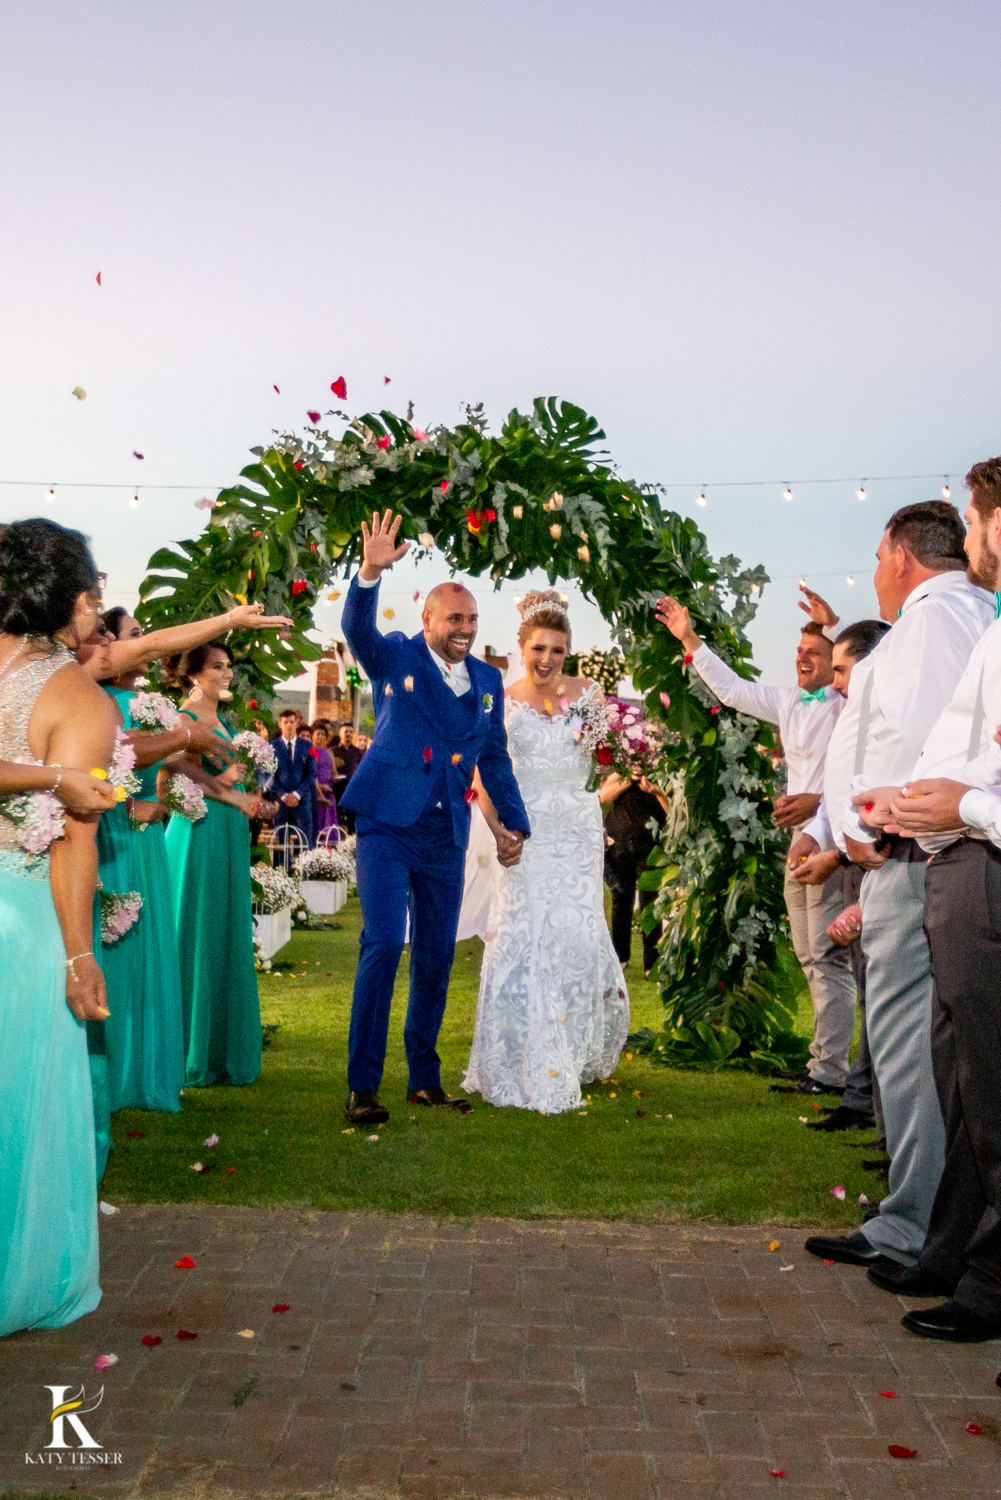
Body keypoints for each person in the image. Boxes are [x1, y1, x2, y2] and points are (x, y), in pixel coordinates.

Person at [832, 460, 1001, 1344]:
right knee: (942, 1065)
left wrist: (904, 812)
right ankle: (936, 1237)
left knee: (938, 1063)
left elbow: (953, 751)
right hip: (925, 843)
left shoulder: (939, 622)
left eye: (874, 554)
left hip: (944, 848)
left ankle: (932, 1235)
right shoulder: (957, 620)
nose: (873, 570)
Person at [339, 510, 530, 1126]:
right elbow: (357, 630)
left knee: (436, 956)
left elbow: (494, 758)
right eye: (454, 619)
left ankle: (424, 1079)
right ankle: (363, 1086)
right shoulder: (396, 656)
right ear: (428, 620)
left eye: (472, 619)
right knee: (382, 943)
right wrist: (369, 574)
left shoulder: (488, 680)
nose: (465, 629)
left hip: (447, 832)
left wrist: (515, 824)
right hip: (387, 824)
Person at [655, 595, 855, 1095]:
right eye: (799, 649)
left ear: (835, 659)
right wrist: (688, 637)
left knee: (828, 957)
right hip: (798, 840)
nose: (802, 657)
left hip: (833, 837)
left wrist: (836, 624)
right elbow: (732, 690)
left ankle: (832, 1072)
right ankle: (823, 1064)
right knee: (809, 955)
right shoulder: (787, 700)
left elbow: (857, 770)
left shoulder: (849, 703)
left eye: (814, 651)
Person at [0, 518, 117, 1336]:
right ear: (73, 601)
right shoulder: (80, 700)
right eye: (95, 597)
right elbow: (75, 847)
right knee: (19, 1101)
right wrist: (80, 956)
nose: (99, 613)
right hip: (19, 923)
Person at [462, 594, 630, 1113]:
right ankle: (523, 1054)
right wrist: (498, 829)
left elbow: (614, 758)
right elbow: (483, 771)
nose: (547, 659)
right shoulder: (501, 698)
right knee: (526, 933)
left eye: (557, 650)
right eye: (538, 648)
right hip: (525, 832)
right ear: (522, 647)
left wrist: (611, 773)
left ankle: (573, 1052)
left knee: (578, 934)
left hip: (578, 832)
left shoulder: (590, 694)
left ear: (567, 651)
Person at [98, 609, 243, 1112]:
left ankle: (148, 1065)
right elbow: (98, 764)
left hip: (148, 840)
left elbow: (164, 773)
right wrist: (130, 805)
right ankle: (114, 1069)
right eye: (134, 636)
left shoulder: (148, 706)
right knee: (121, 953)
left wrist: (166, 800)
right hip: (117, 835)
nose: (144, 643)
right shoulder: (101, 702)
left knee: (150, 952)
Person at [786, 618, 890, 1134]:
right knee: (865, 980)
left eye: (843, 670)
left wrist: (836, 855)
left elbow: (880, 796)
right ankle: (862, 1098)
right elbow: (839, 791)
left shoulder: (884, 716)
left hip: (869, 858)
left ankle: (863, 1098)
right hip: (842, 850)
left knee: (878, 988)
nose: (837, 682)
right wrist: (816, 832)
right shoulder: (851, 709)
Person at [162, 642, 264, 1088]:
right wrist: (223, 785)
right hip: (199, 831)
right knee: (198, 929)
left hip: (226, 829)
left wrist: (245, 791)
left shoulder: (221, 719)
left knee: (224, 930)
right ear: (193, 675)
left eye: (229, 666)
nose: (226, 673)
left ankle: (221, 1046)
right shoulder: (183, 718)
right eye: (217, 667)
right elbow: (171, 772)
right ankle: (192, 1047)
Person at [600, 766, 670, 974]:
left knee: (651, 900)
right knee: (621, 899)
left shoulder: (663, 769)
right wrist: (628, 779)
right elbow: (603, 796)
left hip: (651, 841)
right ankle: (620, 956)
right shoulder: (621, 767)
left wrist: (655, 790)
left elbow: (672, 809)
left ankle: (652, 962)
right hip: (619, 839)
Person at [272, 708, 316, 859]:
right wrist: (283, 795)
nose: (289, 725)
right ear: (280, 724)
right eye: (286, 722)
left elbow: (311, 773)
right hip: (281, 800)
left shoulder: (308, 746)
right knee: (281, 839)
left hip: (302, 799)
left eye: (292, 722)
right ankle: (283, 868)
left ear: (297, 723)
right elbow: (268, 775)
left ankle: (304, 865)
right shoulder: (271, 747)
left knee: (305, 840)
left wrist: (297, 794)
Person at [331, 724, 363, 833]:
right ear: (340, 733)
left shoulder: (358, 752)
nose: (348, 734)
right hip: (337, 788)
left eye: (350, 732)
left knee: (352, 820)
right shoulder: (333, 751)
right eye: (346, 732)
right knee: (336, 818)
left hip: (353, 789)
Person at [310, 720, 339, 839]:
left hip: (329, 789)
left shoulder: (329, 752)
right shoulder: (311, 751)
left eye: (323, 734)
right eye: (318, 734)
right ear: (312, 736)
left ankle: (330, 845)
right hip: (317, 789)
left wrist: (337, 778)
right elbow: (310, 774)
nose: (320, 737)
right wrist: (321, 787)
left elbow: (334, 772)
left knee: (330, 819)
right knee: (318, 819)